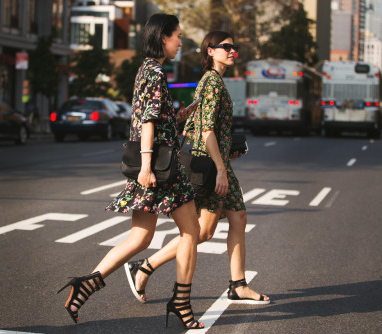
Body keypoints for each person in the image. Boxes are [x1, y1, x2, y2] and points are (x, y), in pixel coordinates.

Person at [57, 13, 204, 329]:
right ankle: (181, 303)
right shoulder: (154, 73)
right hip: (160, 169)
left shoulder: (146, 71)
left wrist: (182, 115)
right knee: (192, 230)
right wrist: (147, 166)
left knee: (140, 238)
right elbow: (147, 123)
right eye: (177, 35)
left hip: (155, 166)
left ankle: (86, 284)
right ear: (163, 37)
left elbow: (158, 119)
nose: (180, 41)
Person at [124, 31, 270, 306]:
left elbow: (201, 125)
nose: (232, 51)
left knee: (239, 219)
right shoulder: (212, 83)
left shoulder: (214, 82)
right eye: (226, 47)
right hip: (211, 167)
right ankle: (144, 267)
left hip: (219, 162)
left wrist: (227, 155)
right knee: (202, 232)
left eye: (234, 47)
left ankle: (238, 285)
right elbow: (205, 132)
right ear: (210, 51)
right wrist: (221, 169)